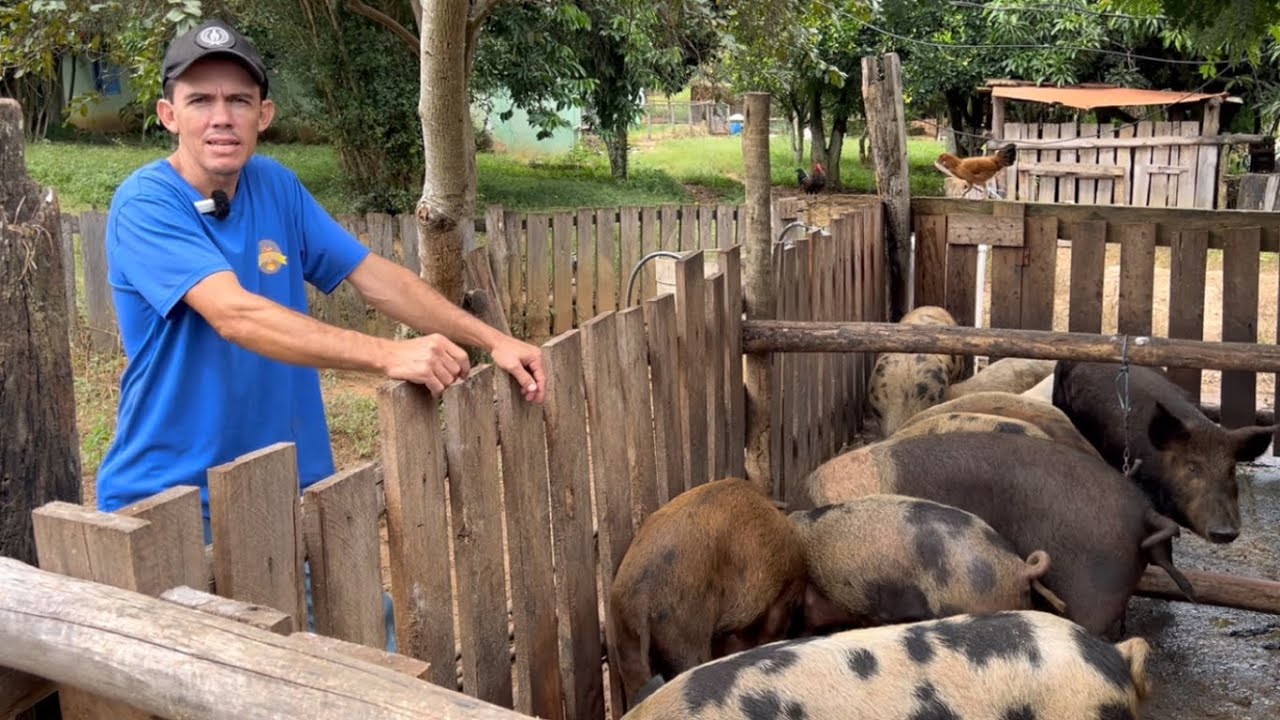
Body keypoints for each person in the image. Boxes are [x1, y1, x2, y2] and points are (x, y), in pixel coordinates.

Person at [95, 18, 545, 649]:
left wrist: (490, 339)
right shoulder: (146, 203)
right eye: (201, 100)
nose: (220, 116)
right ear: (170, 115)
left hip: (285, 504)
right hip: (172, 510)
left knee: (363, 652)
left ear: (264, 113)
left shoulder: (275, 186)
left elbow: (375, 276)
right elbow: (235, 315)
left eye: (238, 101)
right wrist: (388, 354)